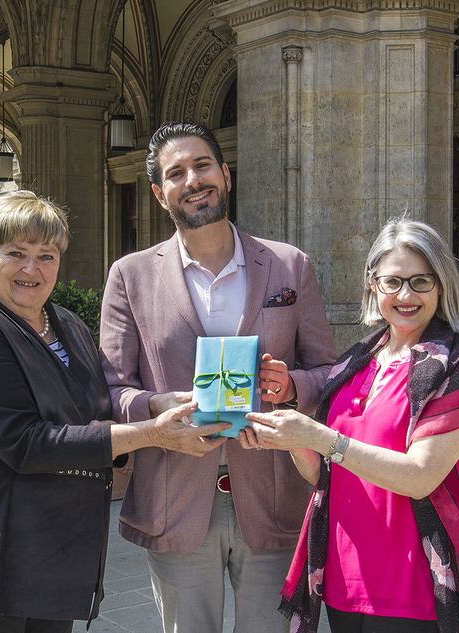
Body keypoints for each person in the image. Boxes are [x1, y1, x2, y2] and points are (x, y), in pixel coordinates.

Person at [0, 190, 230, 633]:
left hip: (58, 549)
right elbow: (25, 443)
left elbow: (96, 412)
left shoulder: (69, 326)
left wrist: (155, 405)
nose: (32, 268)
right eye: (16, 253)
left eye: (46, 255)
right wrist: (151, 433)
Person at [99, 122, 339, 633]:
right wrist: (161, 411)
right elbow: (112, 389)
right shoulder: (130, 276)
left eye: (202, 165)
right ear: (159, 193)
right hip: (176, 500)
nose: (193, 180)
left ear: (226, 174)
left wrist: (293, 386)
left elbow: (330, 371)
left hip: (275, 497)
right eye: (176, 172)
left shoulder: (288, 266)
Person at [244, 217, 459, 633]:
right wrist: (288, 432)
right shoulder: (354, 361)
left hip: (409, 584)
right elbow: (323, 473)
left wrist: (321, 436)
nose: (406, 295)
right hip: (343, 574)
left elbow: (420, 477)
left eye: (421, 282)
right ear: (372, 284)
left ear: (442, 285)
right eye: (393, 282)